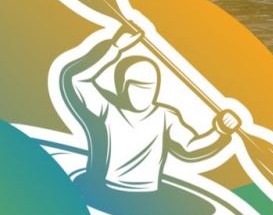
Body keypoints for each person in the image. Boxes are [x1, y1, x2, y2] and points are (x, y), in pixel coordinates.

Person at [60, 28, 239, 199]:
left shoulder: (165, 116)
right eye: (136, 85)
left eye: (149, 86)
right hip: (110, 190)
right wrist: (115, 48)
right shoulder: (108, 108)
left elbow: (191, 146)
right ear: (122, 87)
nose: (144, 92)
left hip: (149, 194)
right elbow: (77, 79)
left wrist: (220, 130)